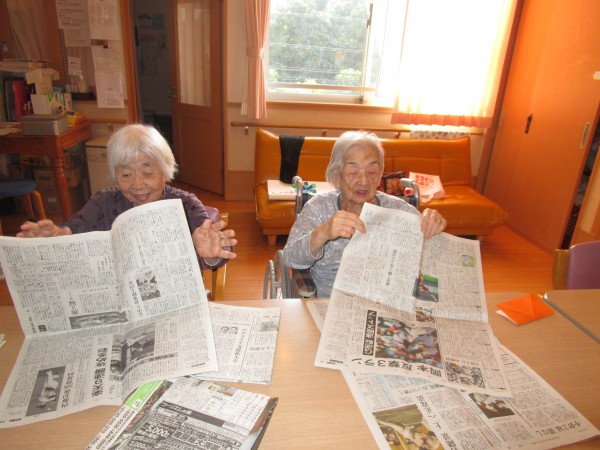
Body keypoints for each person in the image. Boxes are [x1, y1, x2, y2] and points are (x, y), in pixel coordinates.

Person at [17, 124, 237, 270]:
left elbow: (215, 251)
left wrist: (210, 255)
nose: (137, 185)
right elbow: (74, 228)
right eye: (126, 175)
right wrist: (56, 235)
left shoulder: (186, 204)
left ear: (164, 171)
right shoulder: (104, 202)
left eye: (147, 173)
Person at [283, 130, 447, 297]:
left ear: (379, 176)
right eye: (353, 173)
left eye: (372, 172)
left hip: (386, 301)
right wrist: (323, 232)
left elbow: (433, 264)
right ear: (336, 177)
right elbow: (290, 257)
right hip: (330, 301)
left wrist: (433, 226)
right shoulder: (319, 207)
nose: (363, 181)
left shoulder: (399, 210)